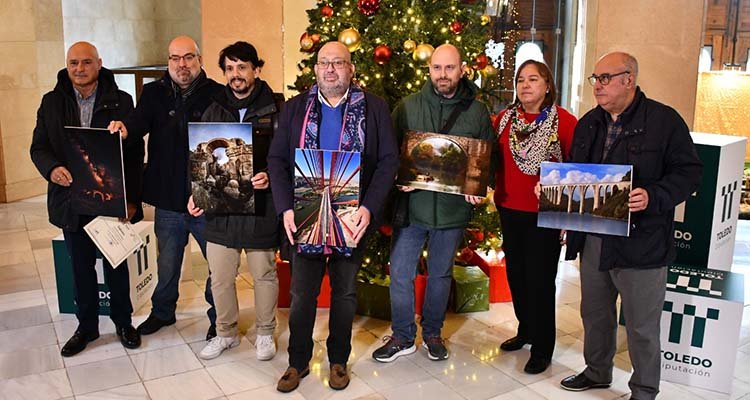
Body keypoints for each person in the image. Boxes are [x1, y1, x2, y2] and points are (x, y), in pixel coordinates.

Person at [558, 52, 702, 400]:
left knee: (641, 326)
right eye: (595, 79)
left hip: (643, 242)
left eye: (606, 78)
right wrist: (556, 195)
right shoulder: (589, 123)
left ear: (629, 79)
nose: (598, 86)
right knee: (595, 315)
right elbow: (578, 176)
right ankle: (596, 372)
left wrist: (653, 196)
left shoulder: (665, 122)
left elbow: (690, 173)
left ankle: (644, 390)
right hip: (594, 238)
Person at [268, 41, 399, 392]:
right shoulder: (295, 109)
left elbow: (388, 161)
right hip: (304, 217)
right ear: (315, 69)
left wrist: (369, 209)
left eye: (338, 63)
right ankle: (297, 363)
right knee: (301, 295)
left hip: (351, 217)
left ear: (350, 69)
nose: (330, 69)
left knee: (343, 294)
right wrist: (284, 209)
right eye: (324, 63)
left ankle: (338, 359)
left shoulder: (374, 109)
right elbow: (277, 161)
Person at [372, 44, 494, 363]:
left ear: (462, 69)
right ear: (429, 71)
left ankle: (432, 333)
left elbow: (483, 160)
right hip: (412, 208)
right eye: (437, 68)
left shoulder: (477, 111)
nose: (443, 75)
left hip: (452, 211)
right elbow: (389, 152)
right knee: (400, 272)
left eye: (449, 68)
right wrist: (399, 178)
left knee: (440, 275)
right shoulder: (408, 107)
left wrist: (477, 187)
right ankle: (402, 335)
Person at [30, 42, 144, 356]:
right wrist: (52, 169)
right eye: (73, 63)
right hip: (71, 200)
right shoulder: (51, 102)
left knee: (115, 264)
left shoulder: (121, 101)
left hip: (109, 199)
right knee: (80, 267)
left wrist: (130, 200)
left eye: (86, 62)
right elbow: (38, 147)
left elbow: (134, 154)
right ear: (67, 65)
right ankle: (87, 327)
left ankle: (123, 322)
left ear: (99, 63)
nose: (79, 68)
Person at [109, 36, 223, 340]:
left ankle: (218, 317)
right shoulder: (153, 93)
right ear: (168, 61)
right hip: (168, 197)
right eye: (175, 58)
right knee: (167, 261)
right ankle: (162, 312)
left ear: (199, 60)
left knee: (217, 263)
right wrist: (124, 128)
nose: (182, 64)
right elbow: (136, 124)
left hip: (205, 198)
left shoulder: (217, 94)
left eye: (188, 57)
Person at [186, 41, 282, 361]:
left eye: (242, 67)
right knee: (220, 276)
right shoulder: (213, 108)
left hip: (261, 207)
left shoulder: (277, 107)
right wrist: (196, 192)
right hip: (221, 210)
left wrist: (268, 174)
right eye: (229, 68)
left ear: (257, 69)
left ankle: (266, 332)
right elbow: (200, 160)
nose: (235, 74)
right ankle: (225, 332)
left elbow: (288, 157)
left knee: (263, 274)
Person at [493, 60, 577, 374]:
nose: (525, 85)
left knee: (541, 280)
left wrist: (569, 214)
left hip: (545, 214)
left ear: (547, 86)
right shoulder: (504, 120)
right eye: (520, 80)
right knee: (516, 274)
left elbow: (577, 167)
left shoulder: (564, 122)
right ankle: (526, 329)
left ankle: (543, 347)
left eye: (533, 79)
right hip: (509, 208)